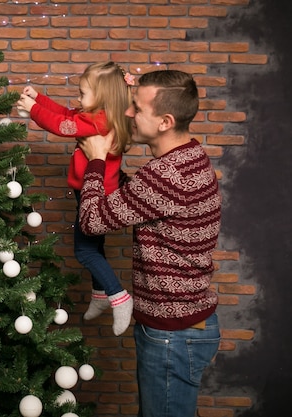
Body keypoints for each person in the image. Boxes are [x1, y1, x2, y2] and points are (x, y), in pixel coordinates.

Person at [77, 70, 222, 417]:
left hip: (173, 334)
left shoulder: (165, 174)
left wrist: (97, 160)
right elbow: (139, 199)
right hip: (183, 326)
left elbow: (92, 220)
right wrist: (114, 173)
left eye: (137, 109)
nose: (128, 114)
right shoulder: (186, 158)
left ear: (165, 121)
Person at [17, 61, 134, 335]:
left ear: (103, 97)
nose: (78, 99)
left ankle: (119, 297)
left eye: (83, 94)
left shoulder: (98, 121)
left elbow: (62, 126)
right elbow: (66, 114)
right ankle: (100, 293)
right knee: (95, 248)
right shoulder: (99, 116)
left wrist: (33, 110)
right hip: (91, 191)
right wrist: (40, 99)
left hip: (98, 196)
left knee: (84, 251)